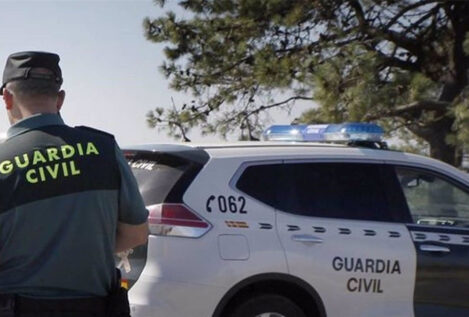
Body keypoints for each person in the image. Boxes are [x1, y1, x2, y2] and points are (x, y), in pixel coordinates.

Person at [0, 51, 149, 316]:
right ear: (60, 99)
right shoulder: (104, 148)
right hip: (95, 307)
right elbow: (136, 234)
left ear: (7, 98)